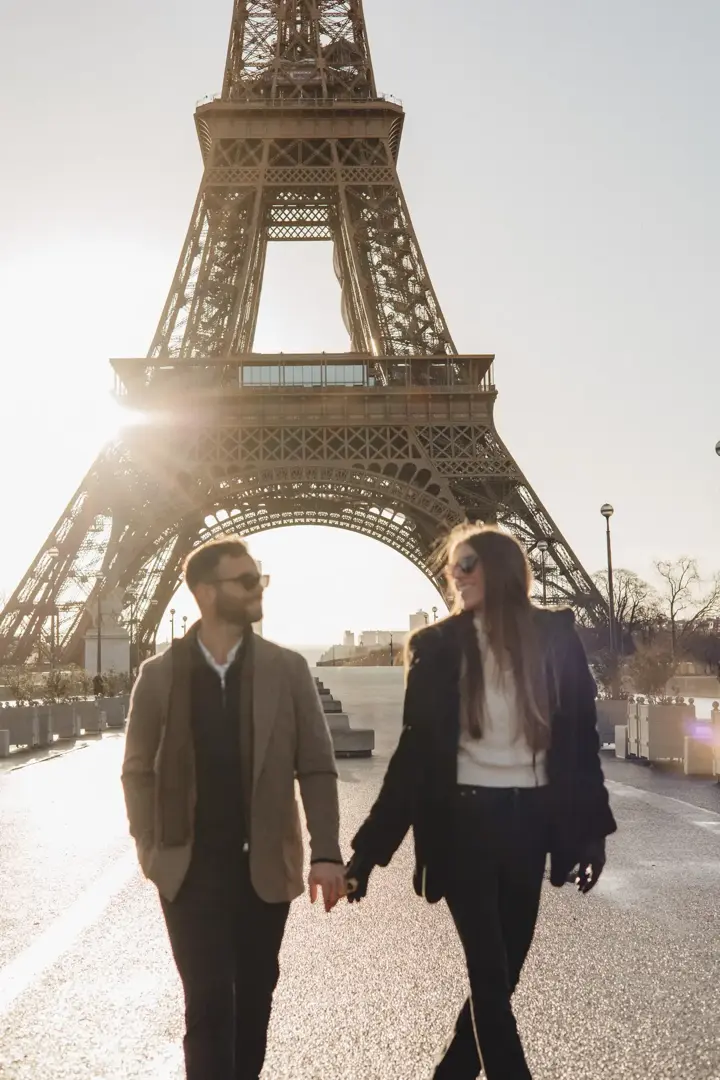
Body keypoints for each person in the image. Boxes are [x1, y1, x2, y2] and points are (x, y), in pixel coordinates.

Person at [345, 524, 617, 1080]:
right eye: (455, 566)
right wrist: (369, 853)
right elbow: (414, 758)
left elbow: (579, 742)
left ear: (503, 570)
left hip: (528, 828)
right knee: (490, 979)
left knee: (502, 979)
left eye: (469, 564)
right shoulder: (435, 646)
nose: (458, 573)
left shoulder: (555, 637)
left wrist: (592, 832)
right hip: (462, 829)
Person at [121, 537, 346, 1080]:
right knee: (208, 1003)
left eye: (258, 579)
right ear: (205, 592)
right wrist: (149, 848)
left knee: (253, 1003)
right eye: (245, 581)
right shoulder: (159, 675)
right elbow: (136, 771)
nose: (257, 589)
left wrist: (328, 853)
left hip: (263, 868)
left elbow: (315, 765)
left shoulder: (287, 670)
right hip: (188, 868)